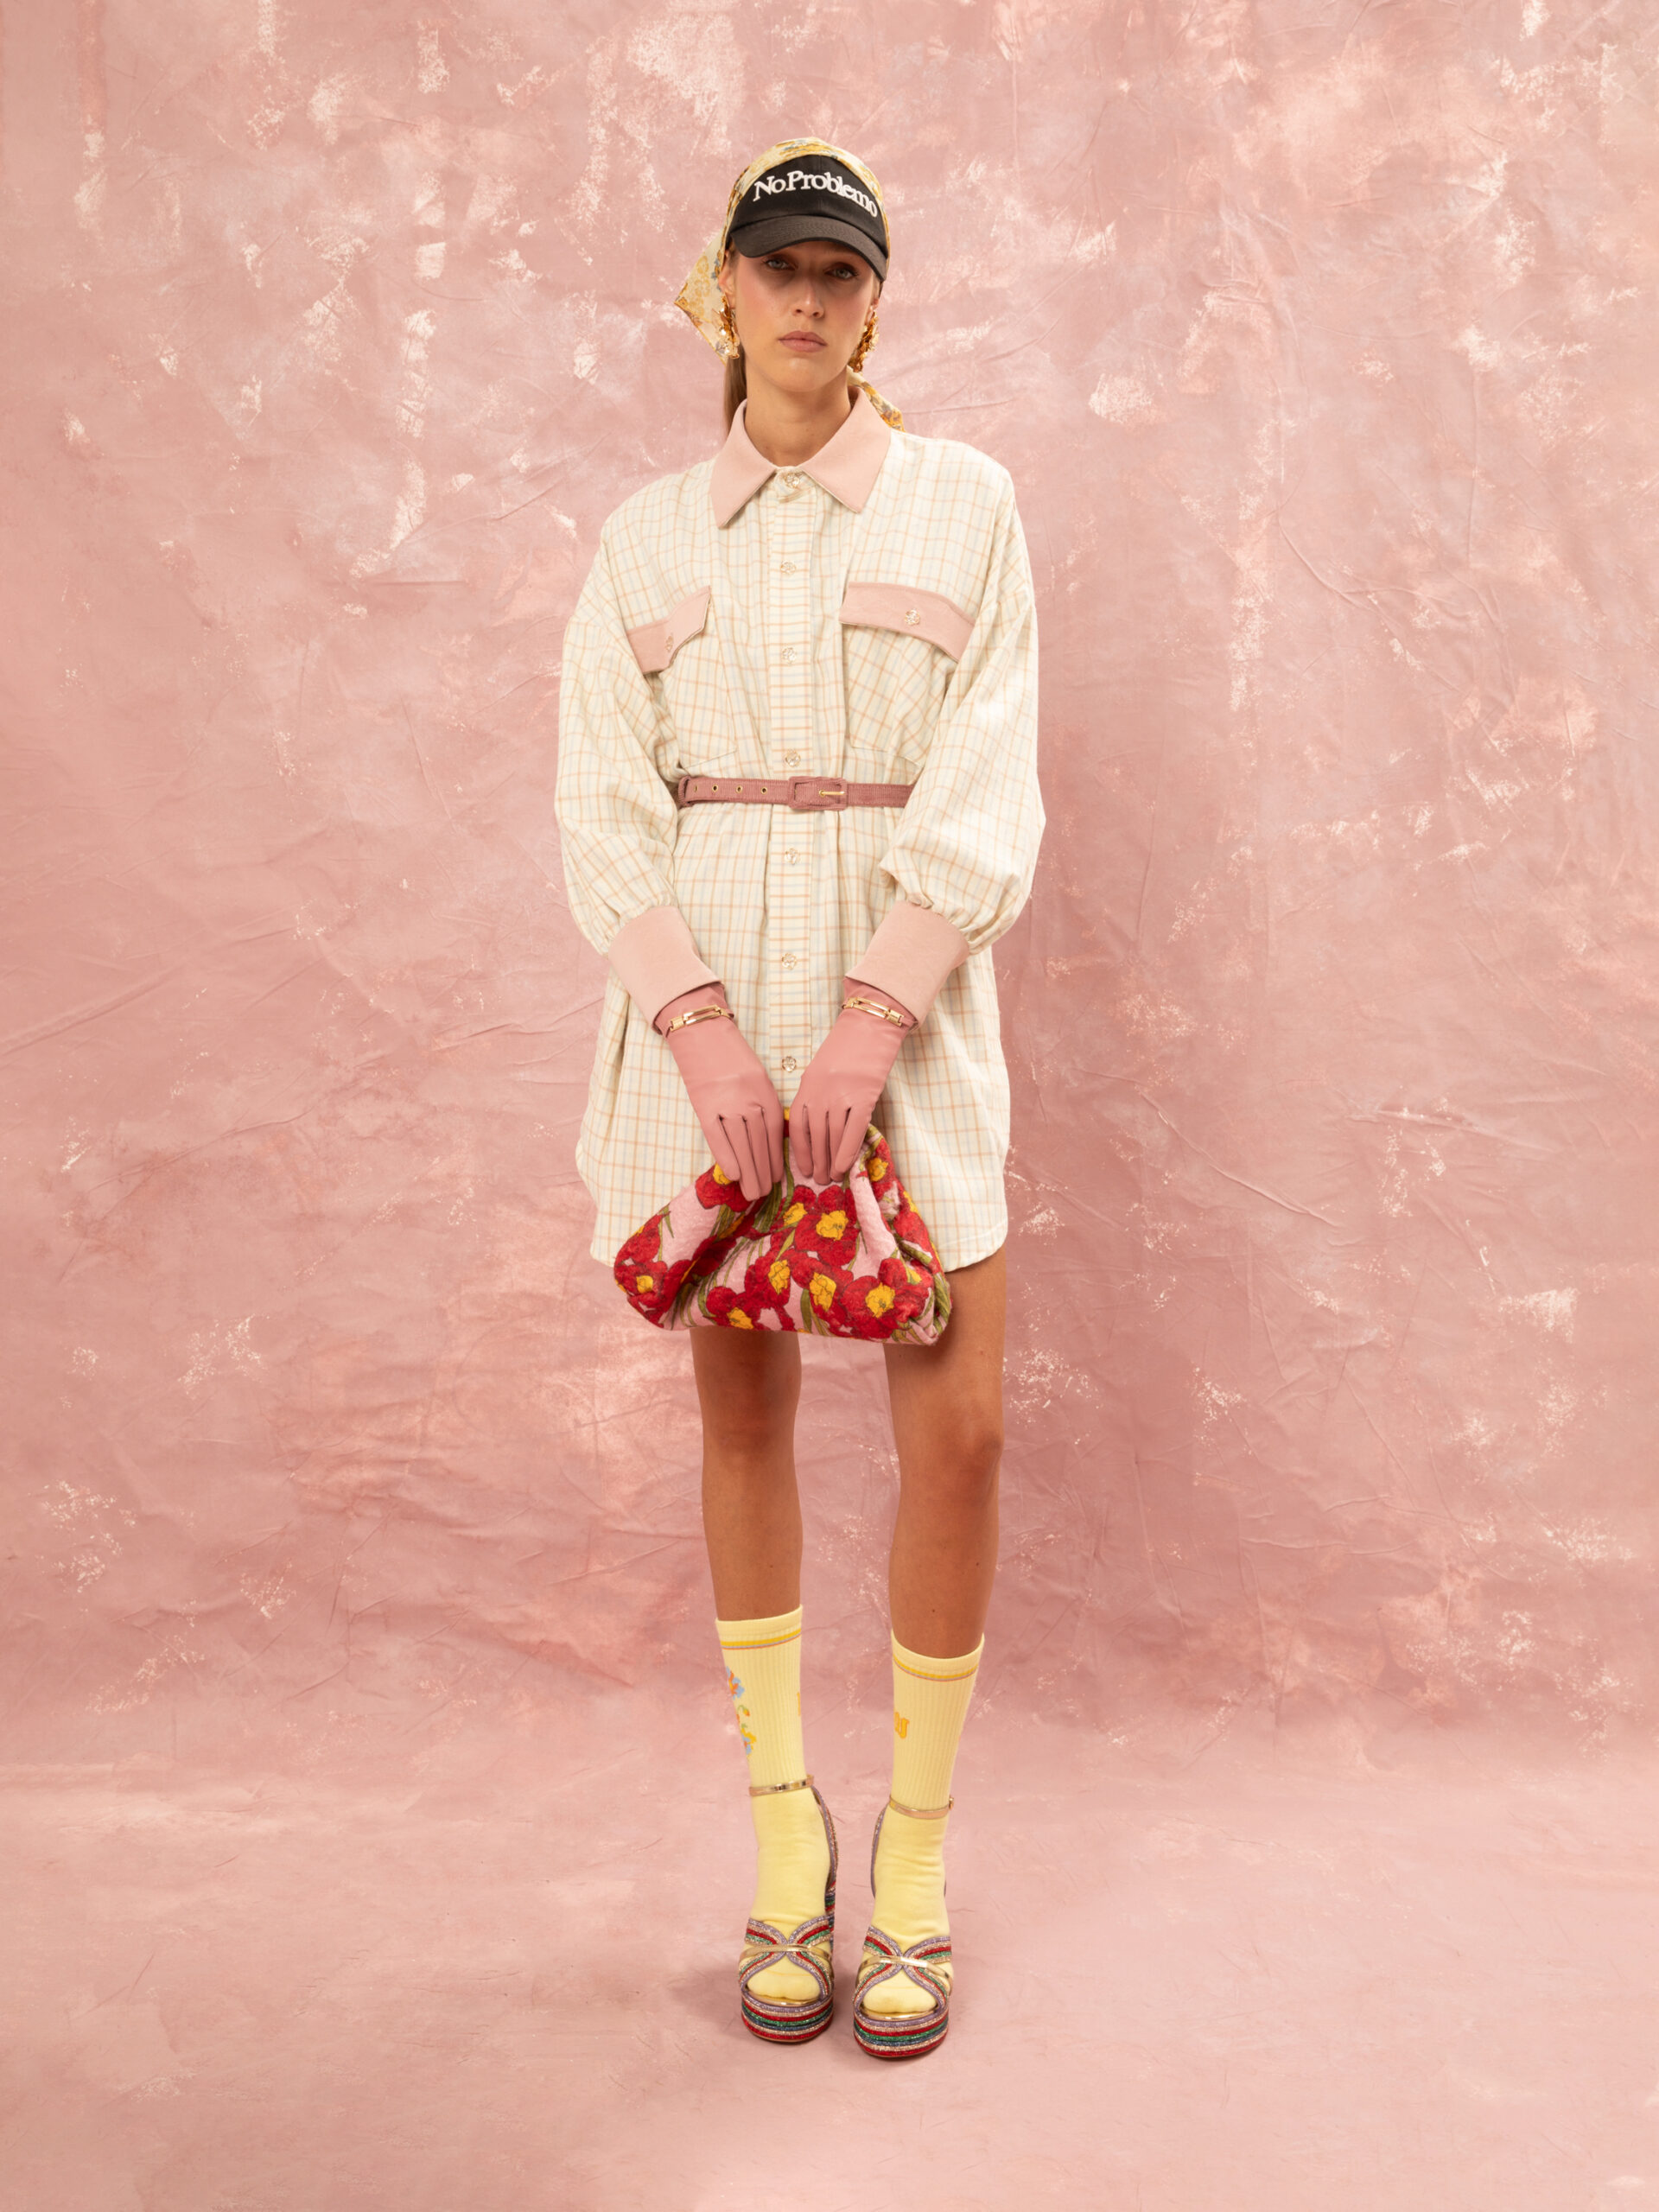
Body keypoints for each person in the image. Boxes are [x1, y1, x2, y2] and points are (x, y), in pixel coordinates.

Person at [554, 139, 1044, 2058]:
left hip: (900, 1011)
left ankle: (912, 1854)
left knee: (963, 1430)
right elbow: (602, 801)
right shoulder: (643, 539)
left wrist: (869, 1021)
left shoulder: (964, 503)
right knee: (741, 1411)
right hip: (711, 1025)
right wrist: (700, 1030)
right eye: (782, 270)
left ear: (877, 303)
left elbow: (988, 775)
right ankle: (785, 1834)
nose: (811, 302)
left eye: (843, 274)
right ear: (727, 293)